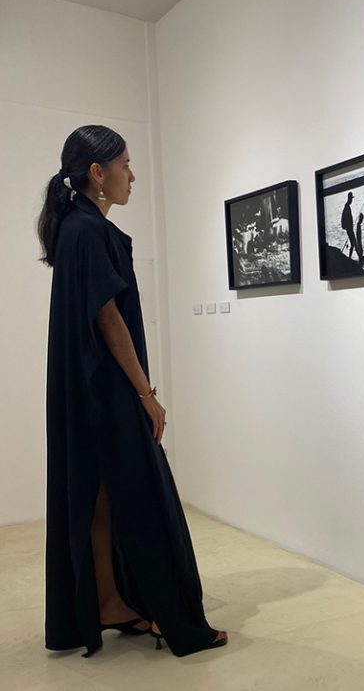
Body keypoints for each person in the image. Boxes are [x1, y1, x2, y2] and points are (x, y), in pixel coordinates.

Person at [38, 125, 227, 658]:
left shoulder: (78, 227)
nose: (133, 176)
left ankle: (108, 602)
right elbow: (107, 318)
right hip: (108, 390)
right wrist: (147, 394)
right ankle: (172, 616)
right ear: (98, 173)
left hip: (89, 388)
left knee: (100, 495)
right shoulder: (87, 231)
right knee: (145, 499)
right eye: (125, 165)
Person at [340, 191, 356, 258]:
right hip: (349, 228)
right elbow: (346, 218)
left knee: (353, 242)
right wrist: (349, 226)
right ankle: (350, 257)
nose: (352, 200)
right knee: (353, 243)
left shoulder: (347, 206)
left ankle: (353, 257)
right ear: (349, 198)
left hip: (349, 228)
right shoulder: (347, 207)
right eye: (351, 199)